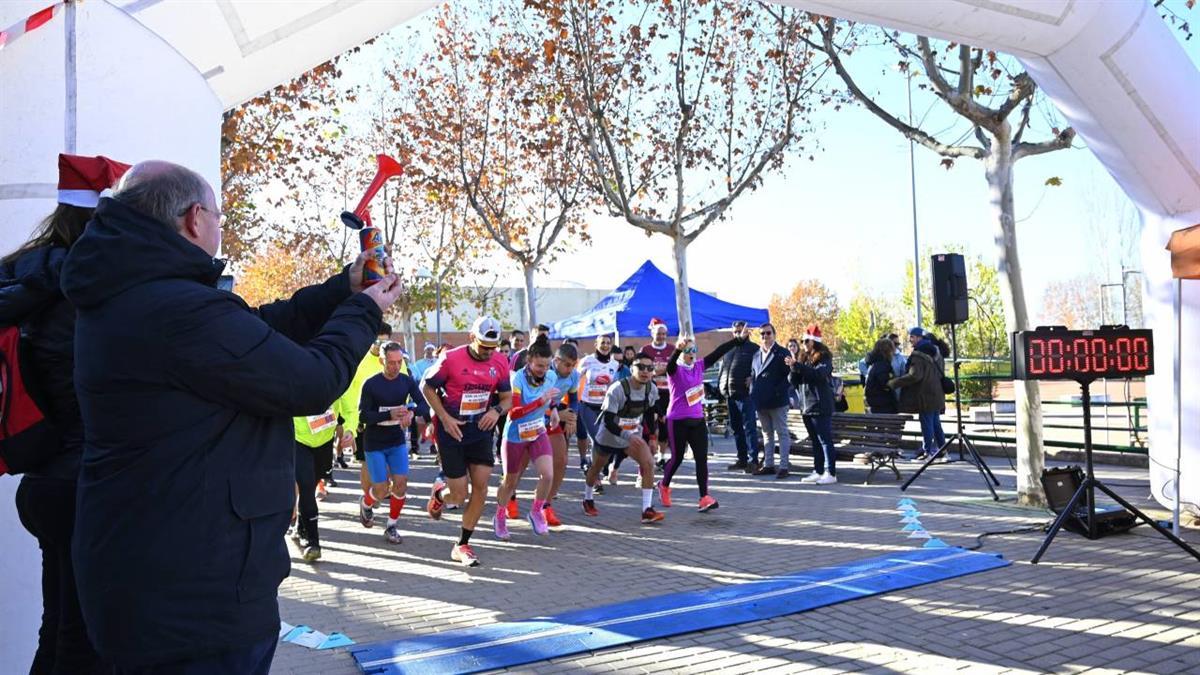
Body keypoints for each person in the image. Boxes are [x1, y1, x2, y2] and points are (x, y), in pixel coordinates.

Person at [60, 160, 403, 673]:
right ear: (194, 218)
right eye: (219, 216)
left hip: (160, 571)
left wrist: (342, 290)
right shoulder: (176, 308)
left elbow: (253, 333)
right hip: (193, 597)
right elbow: (309, 381)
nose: (220, 227)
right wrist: (364, 311)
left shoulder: (139, 291)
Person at [1, 153, 129, 675]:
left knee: (58, 627)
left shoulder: (27, 278)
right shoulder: (87, 292)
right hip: (85, 487)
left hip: (42, 481)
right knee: (84, 640)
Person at [422, 316, 512, 567]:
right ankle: (440, 495)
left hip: (481, 430)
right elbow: (427, 388)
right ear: (472, 338)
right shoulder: (450, 359)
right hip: (452, 430)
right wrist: (444, 418)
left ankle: (462, 544)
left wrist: (496, 411)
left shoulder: (500, 361)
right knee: (459, 495)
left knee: (482, 487)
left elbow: (507, 399)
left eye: (493, 347)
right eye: (484, 347)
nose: (488, 352)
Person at [659, 335, 742, 512]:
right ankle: (664, 485)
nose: (692, 353)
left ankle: (704, 497)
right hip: (677, 420)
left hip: (697, 420)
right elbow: (669, 366)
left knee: (701, 459)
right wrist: (677, 349)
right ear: (682, 353)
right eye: (688, 351)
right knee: (677, 458)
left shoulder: (699, 366)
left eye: (694, 350)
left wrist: (736, 341)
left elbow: (718, 353)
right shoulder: (675, 370)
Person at [581, 352, 665, 524]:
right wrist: (627, 435)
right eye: (641, 367)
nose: (645, 371)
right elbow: (608, 421)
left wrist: (652, 437)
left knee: (649, 463)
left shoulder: (651, 389)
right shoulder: (617, 389)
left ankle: (647, 510)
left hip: (632, 436)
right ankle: (587, 498)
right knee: (596, 468)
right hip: (609, 436)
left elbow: (650, 412)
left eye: (649, 368)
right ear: (632, 368)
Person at [493, 334, 561, 539]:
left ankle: (536, 511)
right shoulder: (517, 379)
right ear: (529, 361)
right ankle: (500, 516)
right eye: (539, 365)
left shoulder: (551, 376)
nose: (543, 370)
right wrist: (540, 401)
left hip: (537, 431)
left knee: (548, 475)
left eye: (547, 365)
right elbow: (514, 413)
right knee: (510, 481)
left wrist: (554, 410)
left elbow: (551, 396)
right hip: (515, 435)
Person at [358, 342, 425, 544]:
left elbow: (424, 404)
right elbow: (364, 416)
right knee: (381, 491)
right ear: (381, 360)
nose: (396, 366)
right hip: (375, 443)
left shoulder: (406, 381)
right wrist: (389, 414)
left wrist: (411, 412)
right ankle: (366, 504)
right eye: (391, 362)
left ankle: (391, 526)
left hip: (396, 441)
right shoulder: (371, 384)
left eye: (399, 362)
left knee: (401, 485)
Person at [292, 379, 359, 562]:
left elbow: (350, 408)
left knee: (310, 486)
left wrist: (350, 430)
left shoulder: (335, 373)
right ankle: (313, 542)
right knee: (306, 487)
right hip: (299, 439)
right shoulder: (297, 370)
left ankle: (301, 526)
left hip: (324, 440)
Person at [349, 324, 398, 494]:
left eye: (385, 342)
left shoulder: (395, 360)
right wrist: (354, 420)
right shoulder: (359, 360)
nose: (380, 346)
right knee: (367, 462)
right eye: (377, 341)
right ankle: (368, 498)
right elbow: (349, 391)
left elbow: (404, 386)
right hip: (366, 419)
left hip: (390, 419)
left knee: (389, 459)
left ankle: (382, 491)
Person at [787, 324, 837, 485]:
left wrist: (798, 366)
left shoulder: (824, 358)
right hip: (806, 405)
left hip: (820, 404)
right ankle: (818, 470)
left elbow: (818, 375)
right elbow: (794, 381)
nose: (803, 344)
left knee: (824, 440)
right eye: (802, 341)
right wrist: (793, 369)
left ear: (814, 342)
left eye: (806, 341)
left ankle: (831, 472)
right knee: (815, 440)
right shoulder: (803, 359)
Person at [890, 337, 946, 460]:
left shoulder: (918, 358)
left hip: (925, 396)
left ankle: (927, 451)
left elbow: (914, 375)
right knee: (936, 424)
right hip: (936, 394)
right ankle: (943, 449)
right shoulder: (935, 357)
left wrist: (894, 383)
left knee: (927, 423)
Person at [751, 322, 794, 478]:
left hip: (777, 401)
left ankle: (784, 466)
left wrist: (777, 391)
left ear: (774, 335)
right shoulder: (756, 355)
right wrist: (753, 394)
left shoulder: (782, 353)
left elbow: (789, 376)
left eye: (768, 333)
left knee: (782, 433)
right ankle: (768, 465)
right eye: (762, 334)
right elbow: (753, 376)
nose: (765, 336)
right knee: (767, 434)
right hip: (761, 401)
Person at [575, 334, 621, 477]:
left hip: (605, 407)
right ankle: (594, 477)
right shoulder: (587, 361)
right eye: (602, 343)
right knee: (597, 439)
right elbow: (574, 379)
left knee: (608, 439)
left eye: (608, 343)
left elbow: (614, 385)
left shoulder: (614, 364)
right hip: (587, 405)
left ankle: (600, 464)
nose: (605, 346)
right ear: (596, 344)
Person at [718, 320, 761, 471]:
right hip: (730, 394)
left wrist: (753, 377)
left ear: (746, 331)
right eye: (735, 331)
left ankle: (753, 460)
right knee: (736, 428)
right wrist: (720, 387)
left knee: (749, 428)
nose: (738, 333)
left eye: (740, 331)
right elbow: (723, 369)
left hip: (745, 394)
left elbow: (761, 368)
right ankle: (742, 459)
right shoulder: (729, 349)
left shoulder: (754, 349)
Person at [640, 318, 674, 467]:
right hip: (650, 392)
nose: (661, 336)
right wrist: (654, 372)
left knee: (664, 423)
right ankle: (648, 456)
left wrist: (663, 370)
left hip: (668, 391)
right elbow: (639, 367)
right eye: (658, 334)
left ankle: (662, 456)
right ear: (652, 334)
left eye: (663, 334)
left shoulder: (672, 349)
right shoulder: (645, 350)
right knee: (649, 424)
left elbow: (677, 367)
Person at [864, 338, 900, 414]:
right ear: (888, 351)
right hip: (883, 404)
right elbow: (886, 384)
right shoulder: (883, 366)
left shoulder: (876, 364)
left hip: (877, 403)